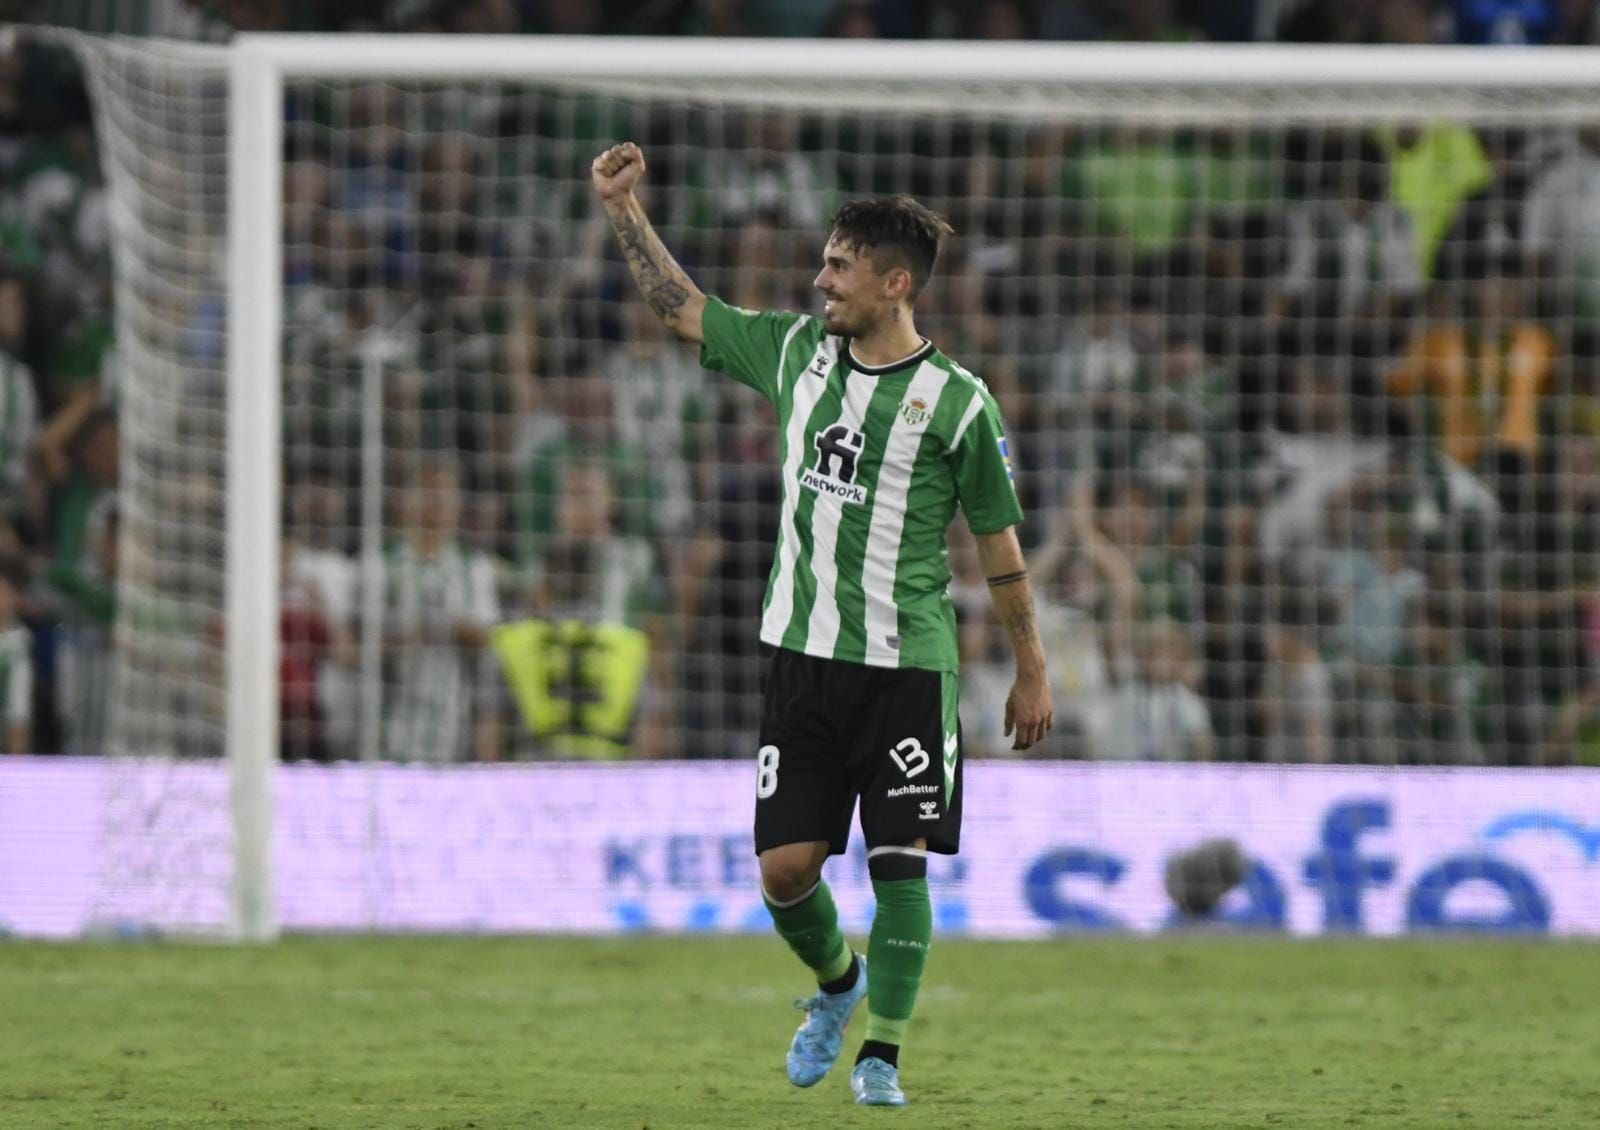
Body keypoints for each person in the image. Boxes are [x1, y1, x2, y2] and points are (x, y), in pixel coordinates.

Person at [592, 142, 1052, 1108]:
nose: (820, 279)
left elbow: (999, 548)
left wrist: (1030, 668)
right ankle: (839, 989)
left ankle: (881, 1055)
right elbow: (683, 308)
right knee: (785, 869)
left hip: (906, 668)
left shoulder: (958, 405)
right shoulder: (796, 353)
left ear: (895, 284)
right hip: (800, 661)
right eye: (823, 262)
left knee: (899, 865)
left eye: (839, 266)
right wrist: (623, 211)